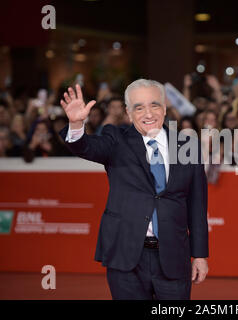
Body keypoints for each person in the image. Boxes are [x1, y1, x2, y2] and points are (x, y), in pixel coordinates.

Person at [58, 80, 209, 300]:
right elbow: (87, 147)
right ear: (129, 113)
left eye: (154, 105)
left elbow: (197, 205)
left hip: (174, 256)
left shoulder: (187, 146)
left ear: (165, 109)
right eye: (139, 107)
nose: (148, 113)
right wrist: (76, 125)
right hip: (126, 256)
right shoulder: (116, 139)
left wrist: (200, 256)